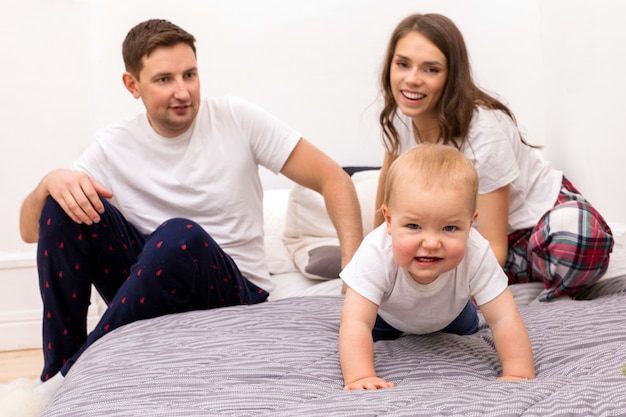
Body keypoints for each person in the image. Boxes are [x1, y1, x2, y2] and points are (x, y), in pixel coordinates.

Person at [18, 18, 363, 400]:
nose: (182, 91)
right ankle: (57, 365)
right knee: (62, 203)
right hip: (148, 287)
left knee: (178, 235)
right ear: (132, 85)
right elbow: (31, 231)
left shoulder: (236, 118)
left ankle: (67, 379)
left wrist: (353, 265)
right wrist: (48, 181)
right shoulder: (112, 145)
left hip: (233, 294)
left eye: (190, 75)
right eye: (164, 79)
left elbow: (334, 179)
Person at [373, 13, 614, 302]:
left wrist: (455, 304)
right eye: (402, 64)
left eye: (431, 69)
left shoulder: (484, 131)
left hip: (531, 223)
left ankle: (538, 276)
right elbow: (387, 205)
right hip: (469, 230)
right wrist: (371, 263)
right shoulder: (400, 117)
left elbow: (494, 244)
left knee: (579, 236)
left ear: (451, 76)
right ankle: (524, 270)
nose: (411, 79)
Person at [339, 143, 535, 390]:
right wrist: (360, 376)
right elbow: (356, 321)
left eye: (449, 228)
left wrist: (518, 372)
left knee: (469, 324)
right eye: (413, 226)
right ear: (389, 221)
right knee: (358, 329)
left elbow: (504, 317)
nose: (431, 243)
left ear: (470, 224)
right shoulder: (376, 252)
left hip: (452, 314)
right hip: (388, 316)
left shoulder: (477, 251)